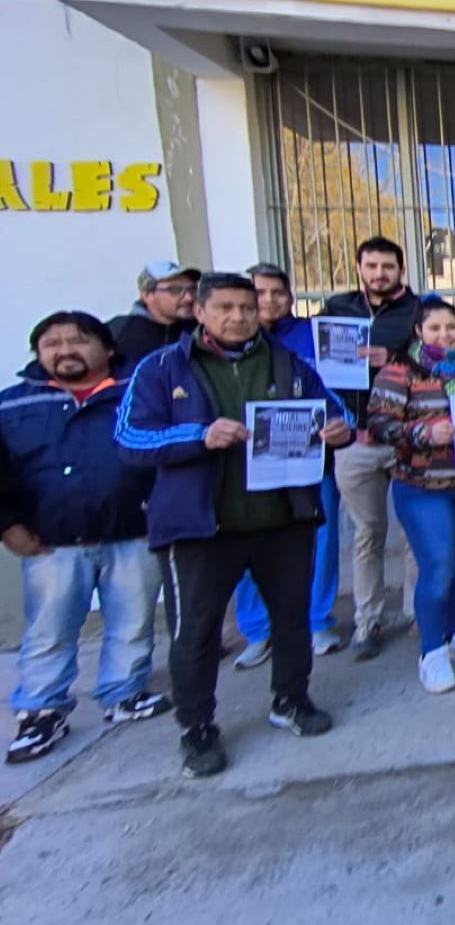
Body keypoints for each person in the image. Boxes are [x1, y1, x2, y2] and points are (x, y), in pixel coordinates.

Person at [114, 272, 350, 778]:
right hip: (201, 527)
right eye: (225, 307)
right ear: (199, 311)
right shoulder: (161, 368)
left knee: (292, 619)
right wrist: (198, 435)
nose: (240, 316)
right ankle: (196, 726)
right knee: (195, 633)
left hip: (284, 519)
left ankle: (290, 699)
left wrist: (339, 430)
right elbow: (129, 438)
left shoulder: (291, 363)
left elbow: (335, 411)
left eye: (247, 306)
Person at [3, 313, 169, 762]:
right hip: (52, 541)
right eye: (53, 343)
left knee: (132, 619)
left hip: (134, 530)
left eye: (78, 341)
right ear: (38, 353)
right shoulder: (14, 404)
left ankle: (124, 691)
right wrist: (8, 526)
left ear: (107, 348)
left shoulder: (138, 392)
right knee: (50, 628)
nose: (66, 350)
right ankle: (41, 709)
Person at [366, 299, 455, 695]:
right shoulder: (400, 370)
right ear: (419, 331)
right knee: (437, 566)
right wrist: (425, 434)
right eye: (436, 328)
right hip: (422, 486)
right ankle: (431, 651)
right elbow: (379, 423)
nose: (446, 335)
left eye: (452, 328)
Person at [229, 264, 343, 667]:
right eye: (259, 294)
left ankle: (317, 620)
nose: (269, 301)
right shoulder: (223, 348)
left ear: (290, 297)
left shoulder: (314, 336)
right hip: (247, 462)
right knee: (249, 546)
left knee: (320, 539)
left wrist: (339, 422)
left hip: (311, 459)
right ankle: (258, 631)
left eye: (278, 292)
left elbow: (334, 391)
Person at [321, 236, 424, 661]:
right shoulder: (336, 310)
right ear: (359, 267)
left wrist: (395, 358)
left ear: (401, 269)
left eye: (388, 266)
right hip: (356, 442)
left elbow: (442, 358)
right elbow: (319, 371)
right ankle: (368, 620)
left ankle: (421, 613)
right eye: (372, 265)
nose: (380, 273)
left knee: (415, 534)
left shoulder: (419, 311)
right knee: (367, 536)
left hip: (407, 438)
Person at [108, 261, 200, 369]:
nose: (189, 298)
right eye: (175, 290)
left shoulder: (201, 326)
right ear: (147, 295)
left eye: (193, 289)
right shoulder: (119, 332)